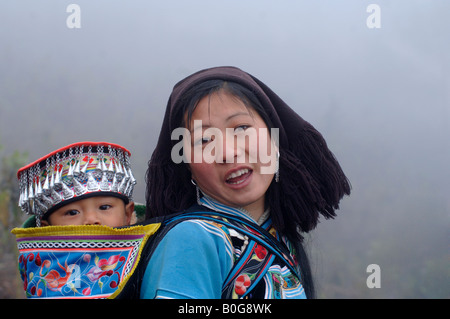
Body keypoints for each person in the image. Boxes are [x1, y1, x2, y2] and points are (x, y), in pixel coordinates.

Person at [141, 66, 351, 299]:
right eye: (203, 140)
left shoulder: (281, 236)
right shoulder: (191, 239)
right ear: (187, 165)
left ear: (274, 136)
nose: (227, 153)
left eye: (241, 128)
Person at [11, 141, 159, 298]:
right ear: (47, 228)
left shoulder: (153, 257)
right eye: (72, 212)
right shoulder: (39, 274)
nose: (91, 220)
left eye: (104, 207)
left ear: (128, 214)